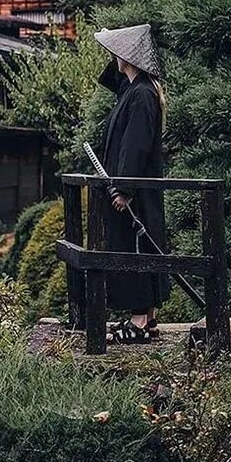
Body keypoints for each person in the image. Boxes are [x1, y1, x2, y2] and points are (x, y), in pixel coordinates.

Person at [94, 23, 169, 344]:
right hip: (137, 190)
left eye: (117, 53)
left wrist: (123, 189)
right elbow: (113, 80)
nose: (113, 58)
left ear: (128, 57)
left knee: (134, 246)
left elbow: (135, 145)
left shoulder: (141, 95)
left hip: (133, 192)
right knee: (139, 243)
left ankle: (139, 321)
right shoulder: (133, 90)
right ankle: (147, 318)